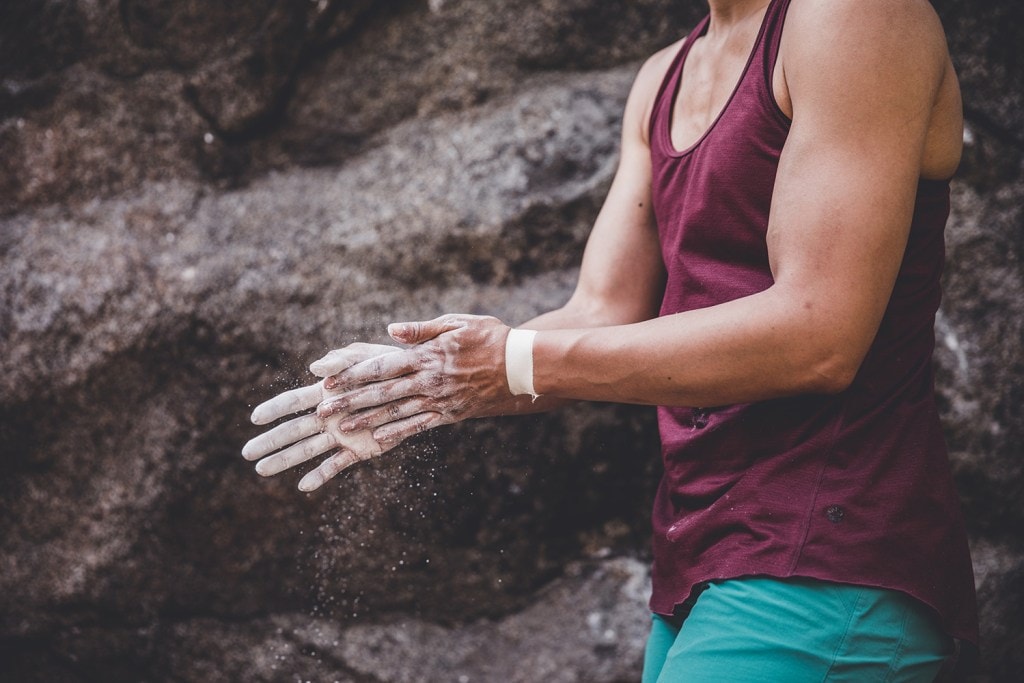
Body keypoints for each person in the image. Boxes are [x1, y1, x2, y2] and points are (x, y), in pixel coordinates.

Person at [243, 0, 979, 679]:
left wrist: (516, 361)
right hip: (702, 560)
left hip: (830, 557)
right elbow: (600, 311)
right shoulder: (665, 76)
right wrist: (424, 375)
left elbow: (819, 333)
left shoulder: (854, 17)